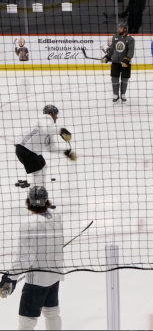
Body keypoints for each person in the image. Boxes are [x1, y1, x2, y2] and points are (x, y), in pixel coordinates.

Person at [0, 186, 64, 330]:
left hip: (37, 280)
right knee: (52, 312)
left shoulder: (28, 224)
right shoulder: (57, 217)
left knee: (26, 322)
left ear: (29, 201)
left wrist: (10, 277)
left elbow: (24, 258)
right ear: (46, 201)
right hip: (54, 275)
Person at [15, 105, 76, 188]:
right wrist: (61, 131)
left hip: (30, 151)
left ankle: (36, 193)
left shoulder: (49, 128)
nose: (57, 117)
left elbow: (50, 147)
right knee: (39, 173)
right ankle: (37, 197)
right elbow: (47, 129)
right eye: (56, 115)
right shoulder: (45, 118)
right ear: (50, 113)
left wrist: (65, 152)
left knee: (43, 167)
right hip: (25, 149)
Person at [102, 22, 135, 104]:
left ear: (125, 29)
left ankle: (123, 94)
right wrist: (107, 57)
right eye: (118, 27)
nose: (119, 29)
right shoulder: (115, 37)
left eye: (120, 28)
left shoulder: (130, 39)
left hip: (125, 63)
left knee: (125, 79)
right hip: (115, 62)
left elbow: (131, 51)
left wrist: (127, 60)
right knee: (114, 78)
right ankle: (115, 95)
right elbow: (112, 49)